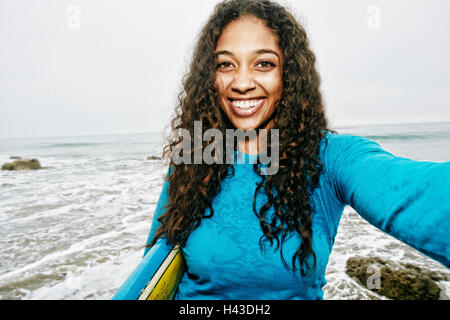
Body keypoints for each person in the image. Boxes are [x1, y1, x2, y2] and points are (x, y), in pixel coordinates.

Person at [143, 0, 450, 300]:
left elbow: (420, 193)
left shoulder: (330, 159)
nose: (241, 82)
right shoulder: (197, 156)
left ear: (288, 73)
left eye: (264, 64)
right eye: (226, 64)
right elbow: (153, 270)